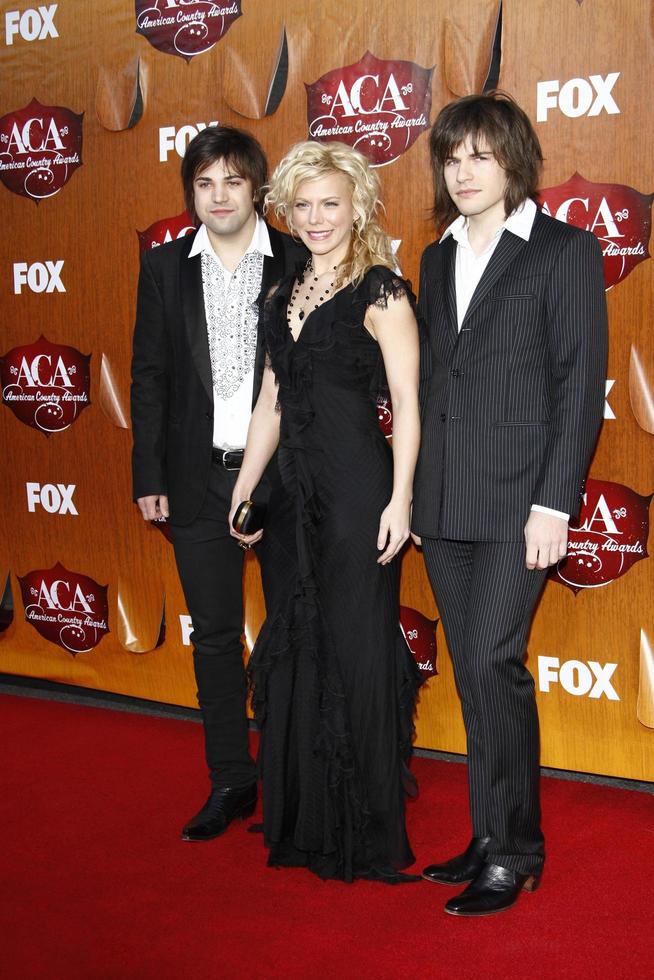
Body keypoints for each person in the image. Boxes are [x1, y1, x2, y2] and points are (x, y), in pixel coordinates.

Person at [412, 92, 608, 915]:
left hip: (521, 499)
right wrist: (415, 498)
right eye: (452, 157)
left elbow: (577, 385)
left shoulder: (564, 250)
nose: (463, 171)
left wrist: (555, 505)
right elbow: (430, 383)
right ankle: (488, 835)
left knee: (495, 663)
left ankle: (518, 851)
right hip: (445, 499)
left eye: (480, 156)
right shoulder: (433, 256)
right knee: (473, 671)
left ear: (514, 161)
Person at [229, 140, 423, 883]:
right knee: (297, 642)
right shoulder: (281, 295)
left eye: (330, 204)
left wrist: (400, 499)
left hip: (355, 494)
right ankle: (302, 816)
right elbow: (270, 403)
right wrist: (246, 488)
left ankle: (366, 830)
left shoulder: (382, 292)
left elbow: (407, 405)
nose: (316, 218)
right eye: (303, 205)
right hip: (288, 498)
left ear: (358, 207)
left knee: (357, 647)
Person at [131, 126, 305, 842]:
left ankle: (298, 781)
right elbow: (148, 376)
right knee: (213, 639)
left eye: (232, 181)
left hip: (286, 482)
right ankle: (232, 777)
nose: (218, 196)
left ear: (256, 187)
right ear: (190, 193)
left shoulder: (298, 257)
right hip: (196, 480)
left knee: (297, 632)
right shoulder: (164, 267)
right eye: (204, 184)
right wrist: (149, 473)